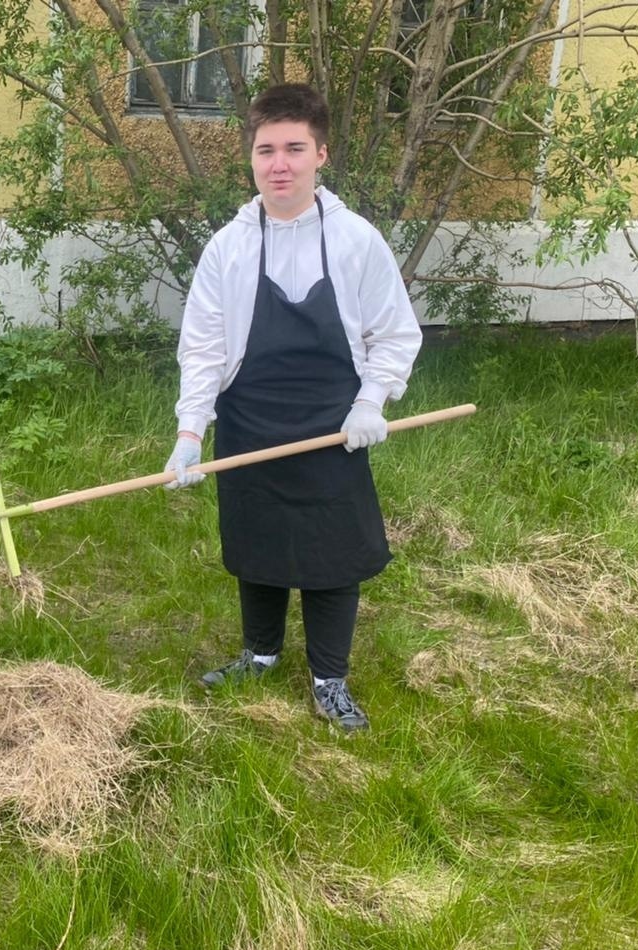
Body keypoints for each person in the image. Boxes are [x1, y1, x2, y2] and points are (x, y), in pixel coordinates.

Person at [164, 84, 422, 732]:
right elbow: (202, 348)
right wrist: (191, 432)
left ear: (321, 154)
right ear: (251, 158)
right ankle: (260, 652)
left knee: (332, 555)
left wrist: (370, 403)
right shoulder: (229, 248)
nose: (280, 163)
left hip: (334, 426)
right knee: (257, 542)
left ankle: (329, 679)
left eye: (294, 149)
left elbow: (395, 334)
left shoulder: (357, 241)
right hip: (250, 418)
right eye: (266, 149)